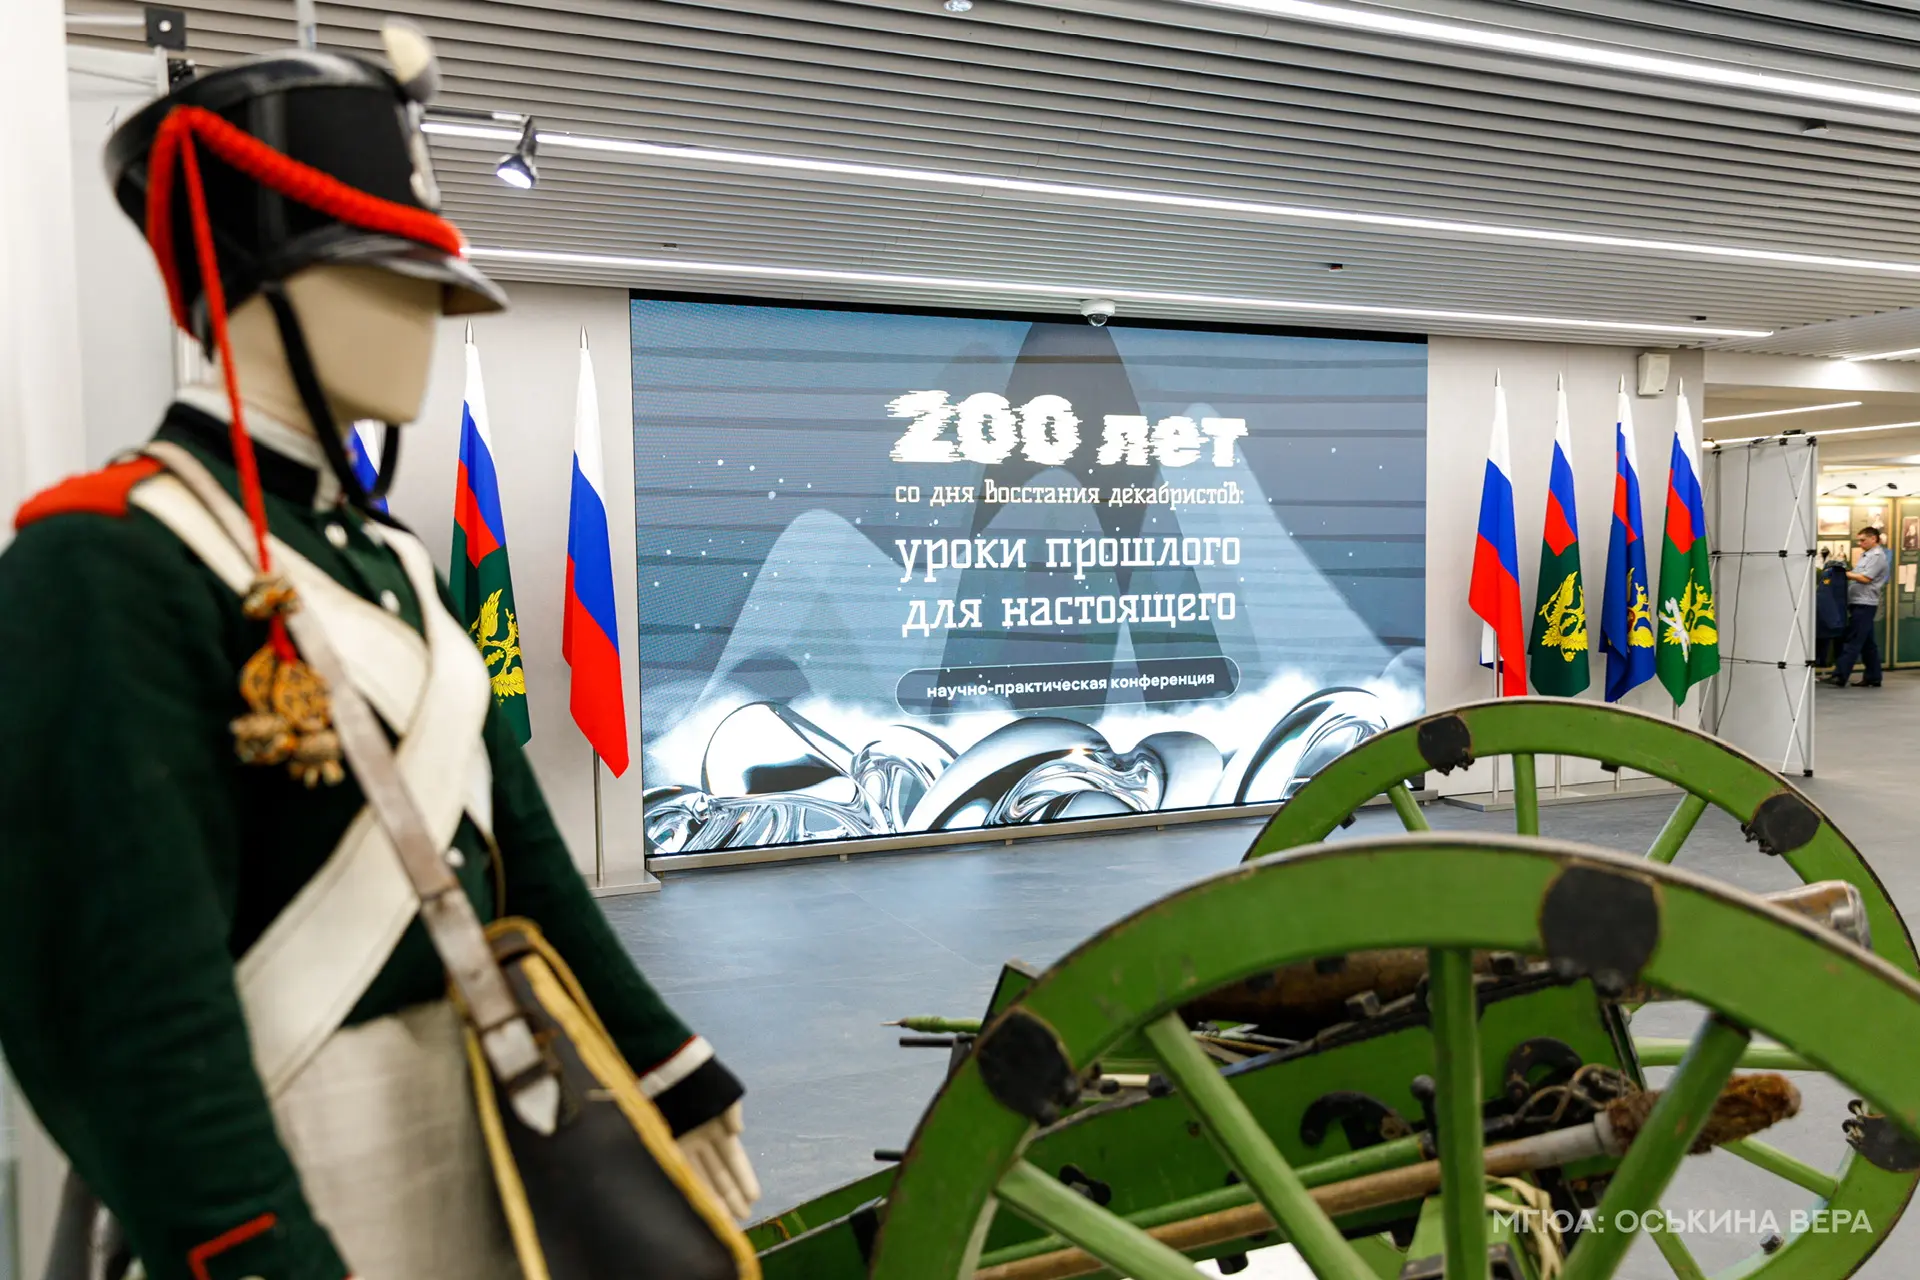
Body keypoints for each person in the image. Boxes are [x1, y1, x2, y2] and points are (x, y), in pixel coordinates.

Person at [0, 35, 756, 1280]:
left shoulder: (388, 560)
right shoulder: (107, 560)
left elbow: (522, 857)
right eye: (379, 276)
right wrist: (260, 1252)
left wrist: (664, 1062)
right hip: (285, 1164)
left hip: (474, 1134)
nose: (425, 313)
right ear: (252, 284)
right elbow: (120, 1007)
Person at [1830, 526, 1890, 688]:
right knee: (1868, 644)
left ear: (1873, 539)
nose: (1860, 543)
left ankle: (1840, 675)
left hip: (1865, 603)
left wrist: (1843, 573)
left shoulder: (1877, 557)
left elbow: (1865, 578)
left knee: (1853, 640)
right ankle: (1873, 677)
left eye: (1863, 540)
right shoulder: (1867, 556)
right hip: (1858, 602)